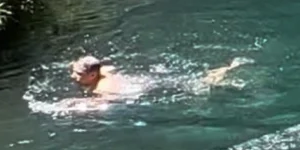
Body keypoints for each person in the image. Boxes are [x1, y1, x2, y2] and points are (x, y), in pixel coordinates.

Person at [70, 54, 245, 100]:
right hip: (146, 80)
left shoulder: (102, 87)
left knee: (198, 83)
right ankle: (227, 69)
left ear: (93, 74)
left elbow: (103, 105)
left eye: (78, 73)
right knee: (189, 78)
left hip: (152, 86)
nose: (73, 76)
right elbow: (109, 67)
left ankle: (229, 70)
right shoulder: (102, 72)